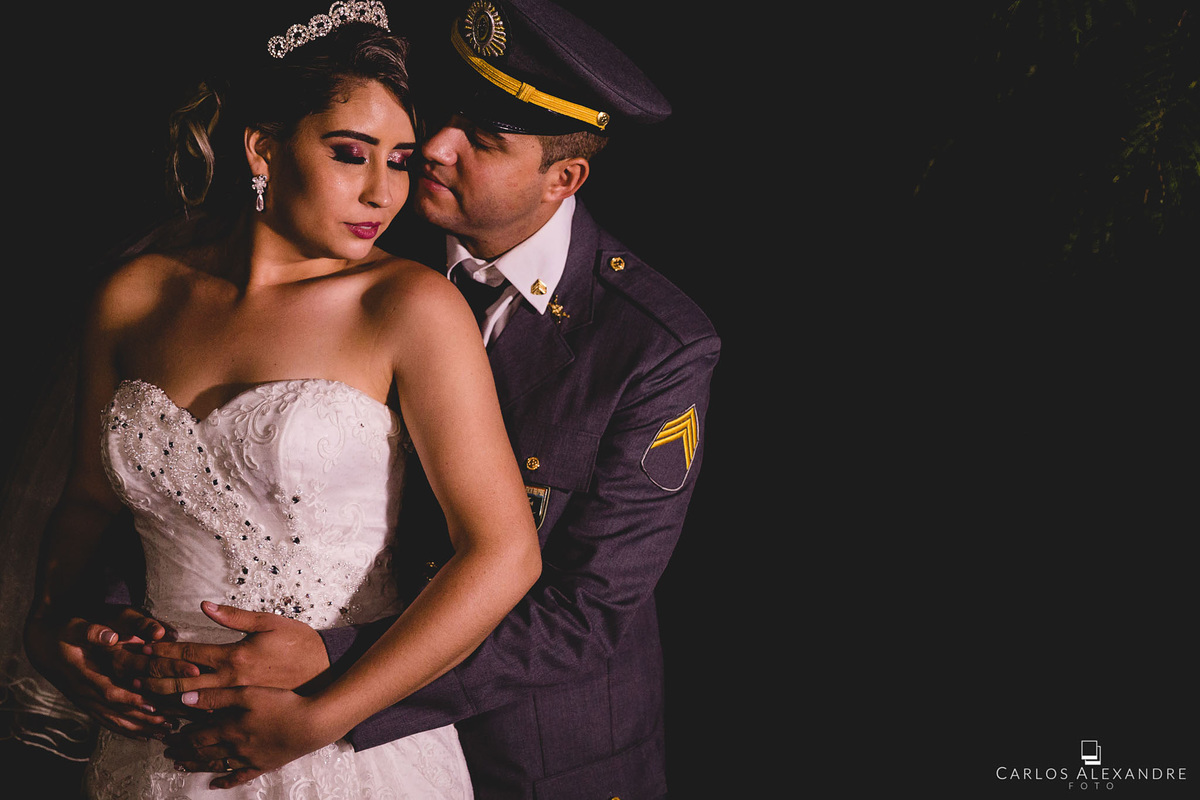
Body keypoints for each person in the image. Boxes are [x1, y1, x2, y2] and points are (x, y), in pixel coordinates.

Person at [35, 0, 718, 797]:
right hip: (196, 712)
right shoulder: (360, 227)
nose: (430, 154)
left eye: (483, 140)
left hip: (527, 750)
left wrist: (332, 686)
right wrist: (87, 626)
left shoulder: (647, 343)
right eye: (434, 126)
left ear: (562, 179)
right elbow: (161, 503)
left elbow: (579, 609)